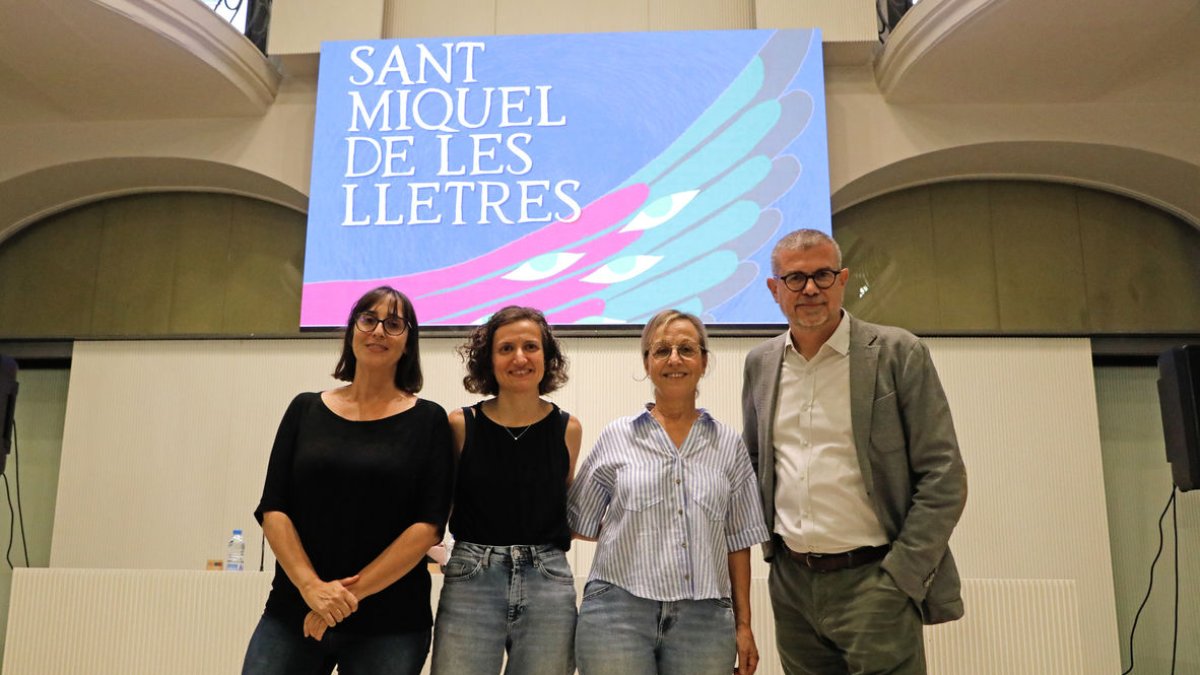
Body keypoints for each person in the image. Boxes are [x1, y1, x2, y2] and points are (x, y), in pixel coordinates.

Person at [742, 229, 967, 675]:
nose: (810, 289)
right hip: (792, 587)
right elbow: (755, 466)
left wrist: (902, 574)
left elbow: (944, 476)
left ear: (842, 280)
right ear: (774, 289)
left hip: (875, 580)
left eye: (822, 275)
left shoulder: (898, 353)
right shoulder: (761, 364)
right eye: (795, 278)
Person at [242, 286, 454, 675]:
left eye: (394, 324)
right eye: (368, 319)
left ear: (408, 342)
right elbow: (274, 508)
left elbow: (428, 526)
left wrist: (340, 600)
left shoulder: (430, 420)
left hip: (391, 625)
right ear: (352, 330)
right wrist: (311, 588)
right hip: (294, 612)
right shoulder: (304, 409)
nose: (378, 331)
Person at [569, 309, 770, 675]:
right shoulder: (618, 436)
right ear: (647, 363)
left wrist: (744, 626)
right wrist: (630, 528)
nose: (674, 359)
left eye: (686, 349)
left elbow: (738, 541)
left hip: (704, 620)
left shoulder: (728, 445)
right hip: (616, 614)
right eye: (662, 350)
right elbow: (577, 520)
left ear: (704, 362)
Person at [430, 306, 583, 675]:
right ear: (489, 359)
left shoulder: (568, 429)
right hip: (472, 579)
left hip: (548, 582)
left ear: (547, 356)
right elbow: (439, 509)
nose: (519, 358)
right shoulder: (460, 424)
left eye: (530, 346)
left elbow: (561, 507)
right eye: (506, 348)